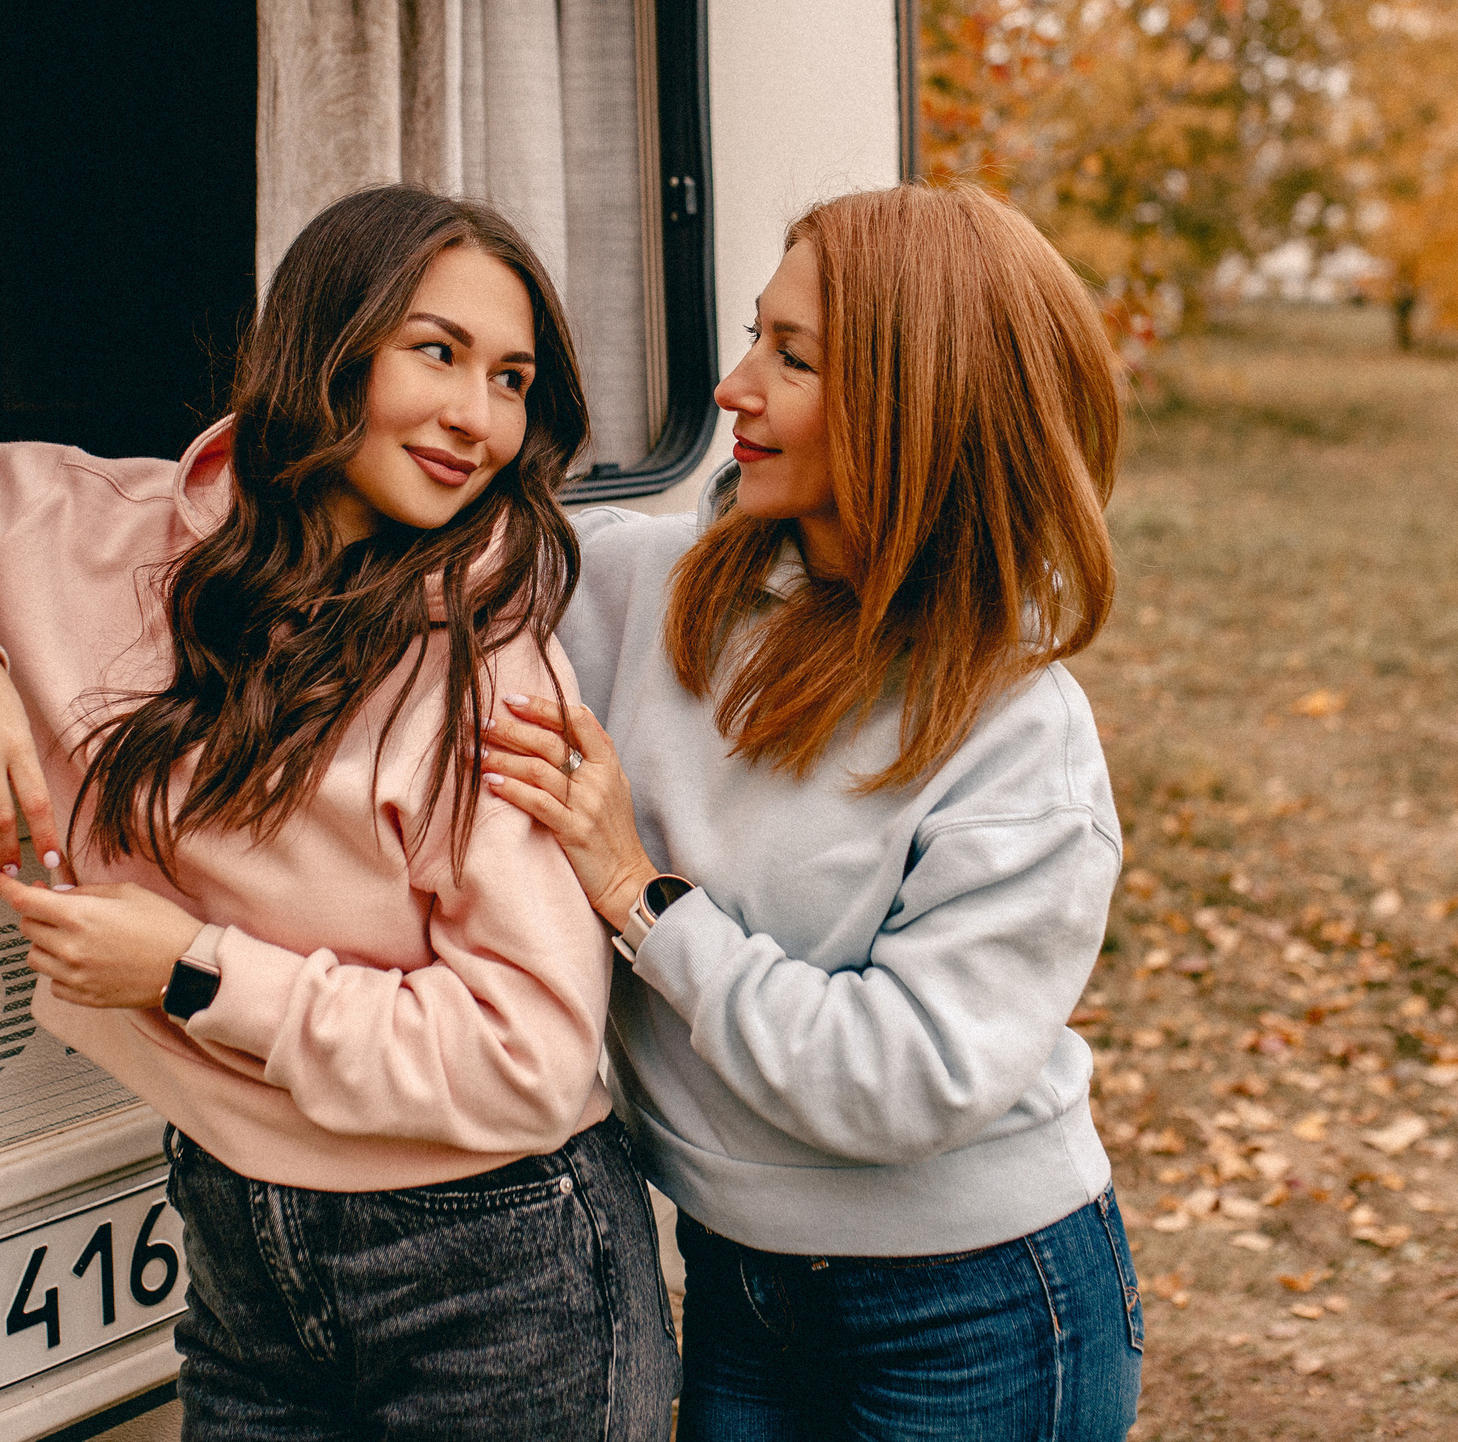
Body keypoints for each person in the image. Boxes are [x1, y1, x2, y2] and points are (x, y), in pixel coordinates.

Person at [0, 185, 680, 1440]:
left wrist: (195, 973)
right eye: (437, 353)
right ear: (325, 343)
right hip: (237, 1225)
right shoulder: (104, 532)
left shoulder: (486, 661)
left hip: (495, 1260)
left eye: (511, 380)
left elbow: (527, 1061)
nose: (477, 418)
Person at [479, 182, 1142, 1440]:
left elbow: (900, 1083)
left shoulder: (1014, 728)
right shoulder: (643, 587)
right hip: (740, 1278)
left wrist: (641, 900)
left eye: (793, 359)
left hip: (978, 1311)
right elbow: (362, 562)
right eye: (752, 336)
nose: (733, 387)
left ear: (913, 402)